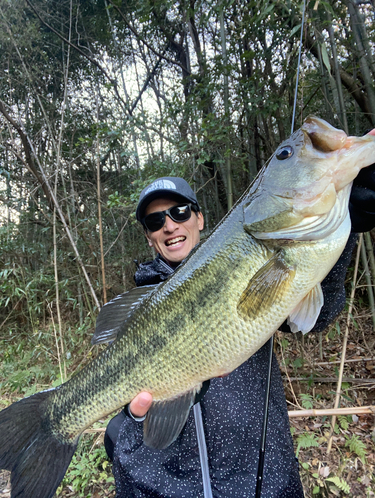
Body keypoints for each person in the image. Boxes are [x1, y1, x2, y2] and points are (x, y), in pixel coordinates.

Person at [104, 167, 375, 497]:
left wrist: (346, 229)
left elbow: (317, 315)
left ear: (200, 219)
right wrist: (128, 429)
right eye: (155, 221)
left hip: (266, 484)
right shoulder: (136, 314)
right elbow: (138, 434)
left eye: (179, 212)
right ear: (149, 236)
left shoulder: (252, 258)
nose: (169, 225)